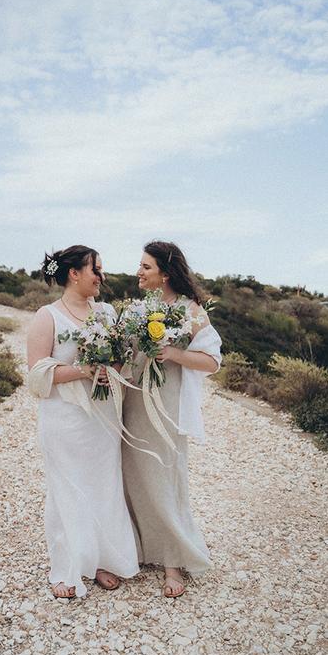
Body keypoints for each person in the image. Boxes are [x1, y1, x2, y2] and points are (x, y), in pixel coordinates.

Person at [27, 245, 139, 598]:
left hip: (103, 417)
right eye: (96, 269)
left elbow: (120, 360)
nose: (101, 277)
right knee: (67, 490)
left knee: (104, 485)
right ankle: (68, 567)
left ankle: (103, 560)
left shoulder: (105, 312)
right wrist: (82, 370)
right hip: (64, 418)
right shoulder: (47, 316)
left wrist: (109, 371)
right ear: (74, 273)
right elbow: (36, 374)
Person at [122, 240, 222, 598]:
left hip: (165, 404)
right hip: (132, 401)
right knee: (131, 474)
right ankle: (134, 549)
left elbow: (212, 361)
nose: (139, 272)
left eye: (145, 267)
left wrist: (175, 353)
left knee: (166, 474)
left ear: (165, 274)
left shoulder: (190, 310)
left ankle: (172, 561)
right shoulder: (138, 308)